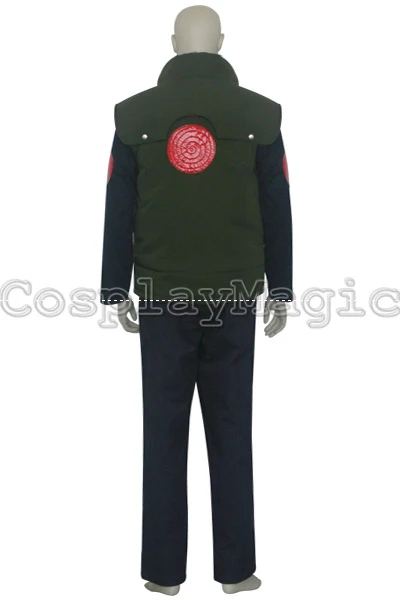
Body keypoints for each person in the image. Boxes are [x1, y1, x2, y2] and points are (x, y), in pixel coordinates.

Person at [100, 5, 293, 596]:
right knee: (233, 427)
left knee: (162, 433)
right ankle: (236, 572)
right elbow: (277, 205)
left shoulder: (134, 116)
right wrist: (281, 289)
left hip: (163, 297)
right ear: (222, 43)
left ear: (173, 43)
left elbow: (118, 206)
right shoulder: (260, 115)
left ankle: (163, 575)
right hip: (235, 297)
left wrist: (115, 288)